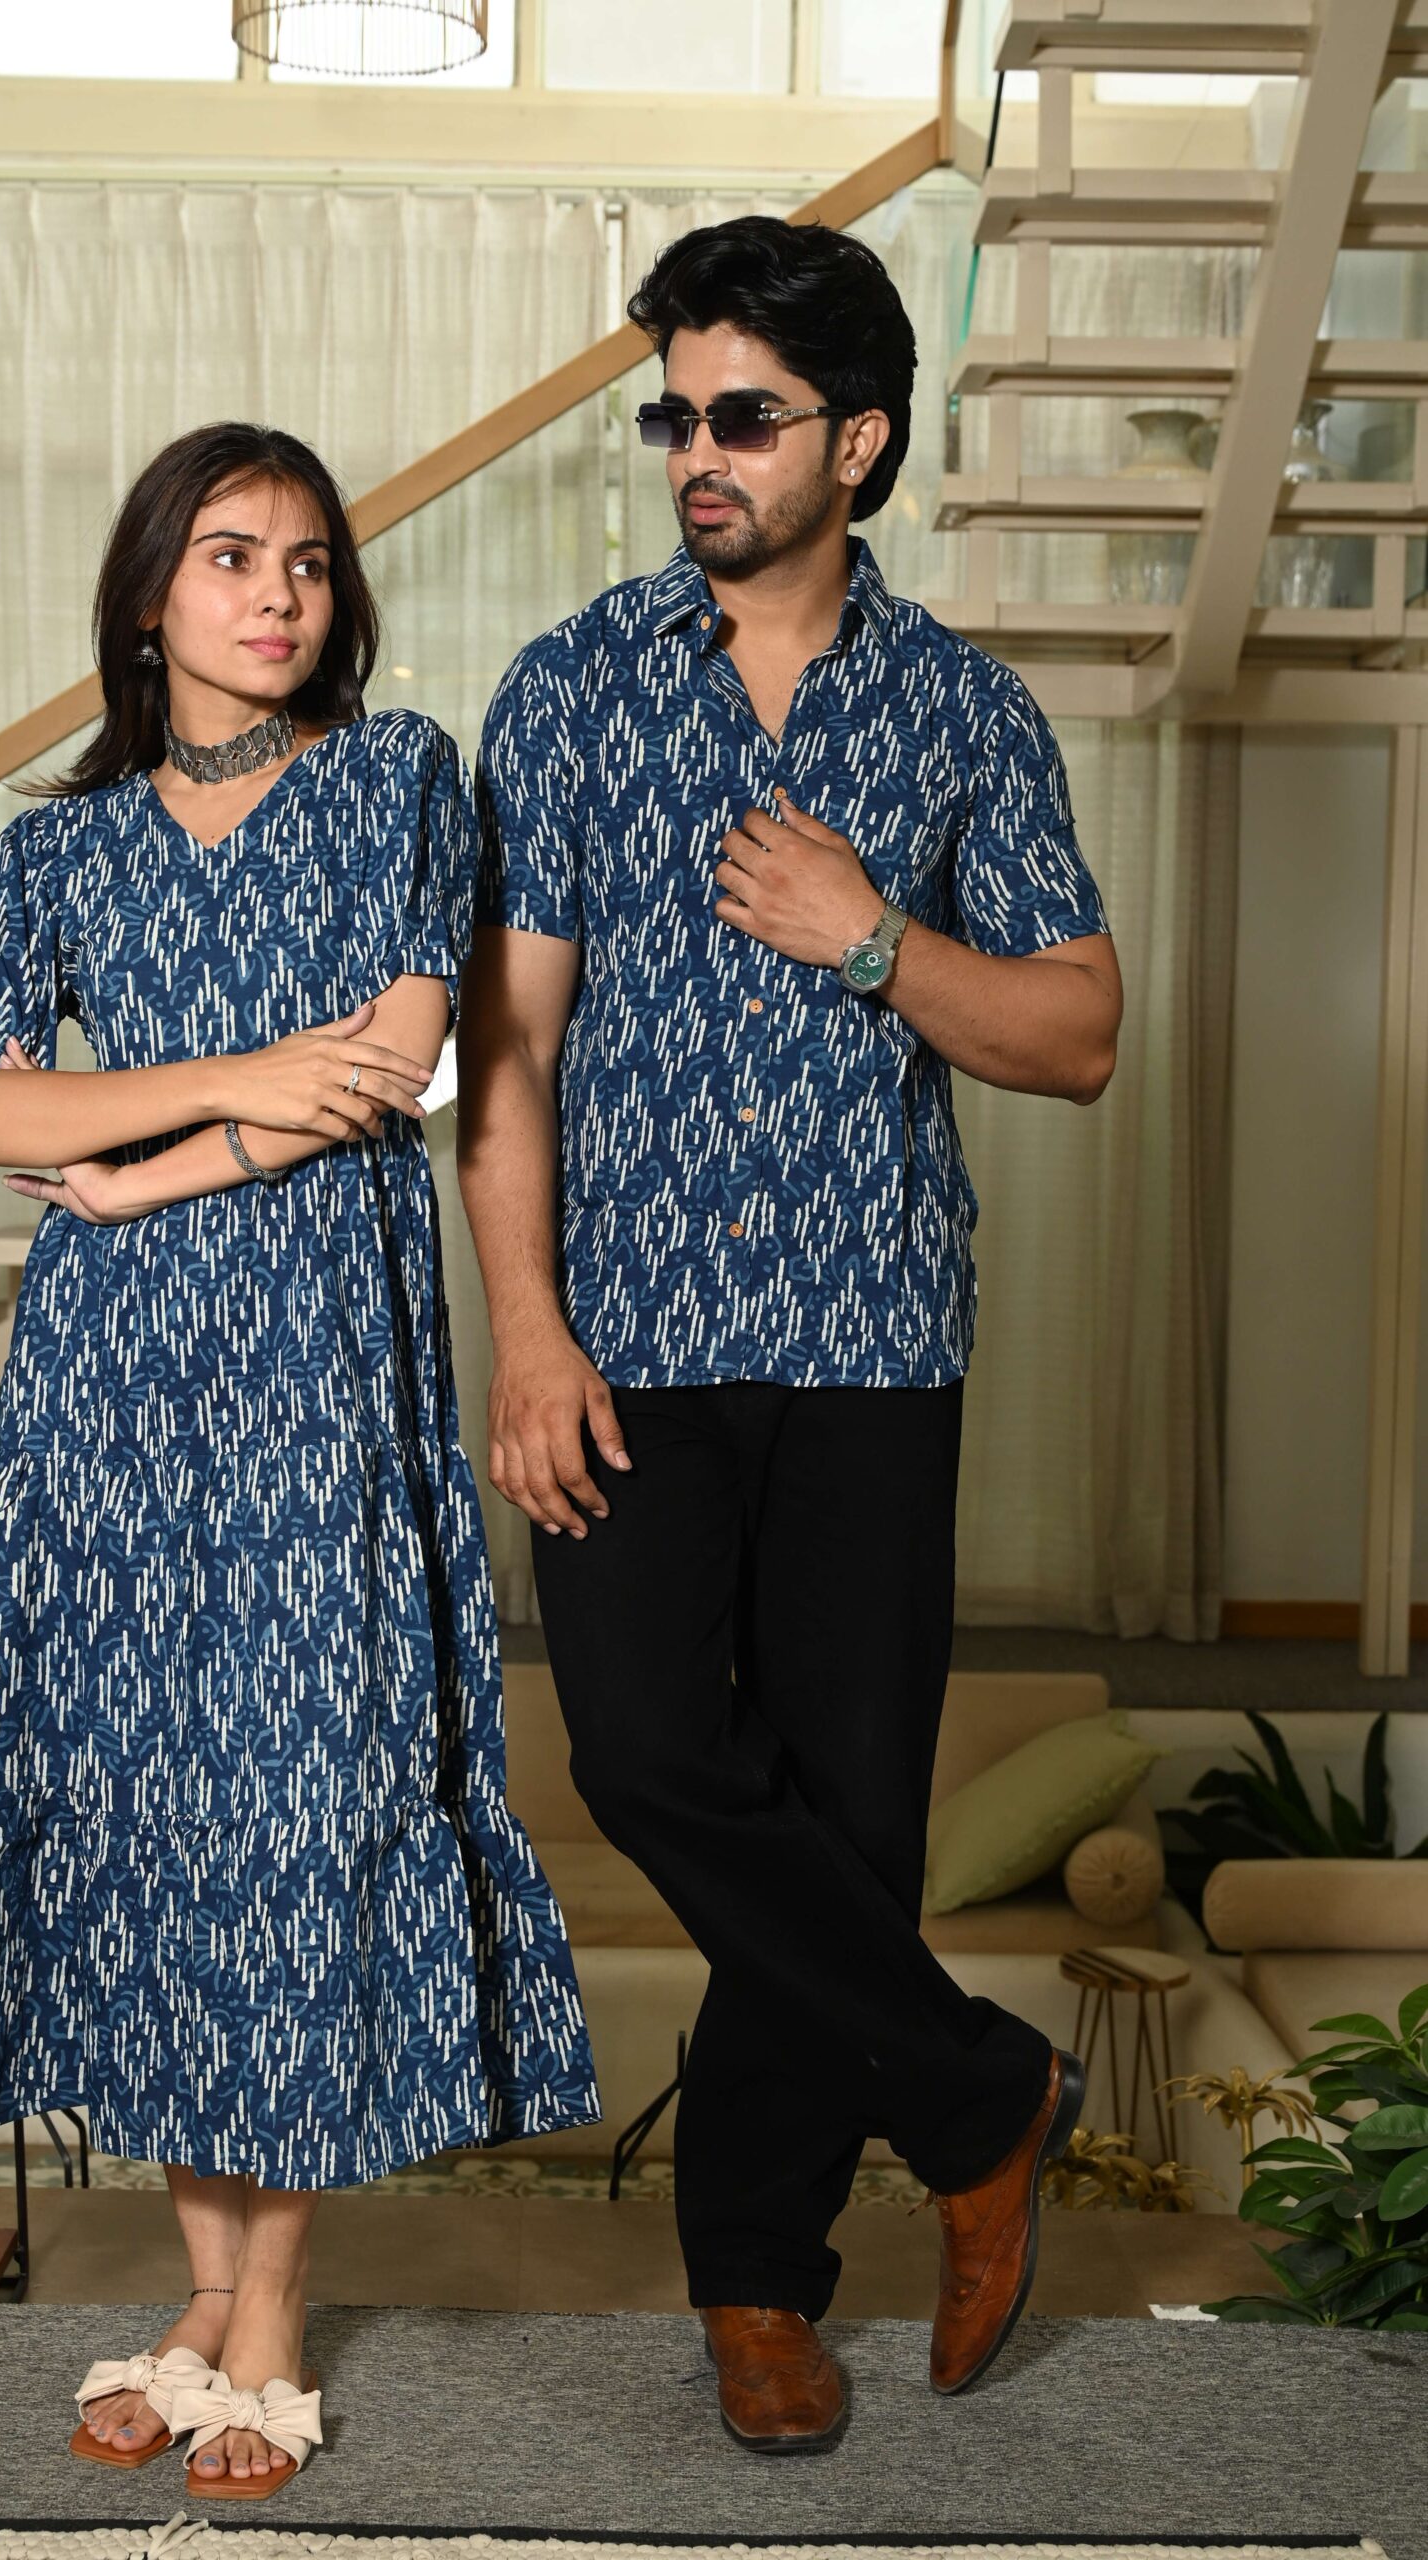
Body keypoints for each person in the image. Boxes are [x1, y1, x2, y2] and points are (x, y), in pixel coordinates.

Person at [457, 216, 1123, 2450]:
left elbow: (1076, 1034)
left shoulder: (965, 714)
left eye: (741, 415)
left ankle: (758, 2284)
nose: (694, 453)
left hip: (873, 1350)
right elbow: (510, 1055)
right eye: (672, 414)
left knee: (843, 1824)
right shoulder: (573, 688)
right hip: (627, 1346)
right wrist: (526, 1330)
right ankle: (983, 2091)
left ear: (861, 440)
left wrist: (868, 938)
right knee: (647, 1755)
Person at [0, 419, 601, 2501]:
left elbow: (389, 1065)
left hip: (318, 1368)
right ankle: (205, 2296)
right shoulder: (58, 849)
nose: (279, 594)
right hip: (109, 1396)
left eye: (307, 561)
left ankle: (277, 2307)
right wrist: (219, 1096)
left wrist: (135, 1160)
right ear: (151, 594)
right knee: (151, 1819)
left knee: (299, 1807)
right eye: (231, 556)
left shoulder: (400, 780)